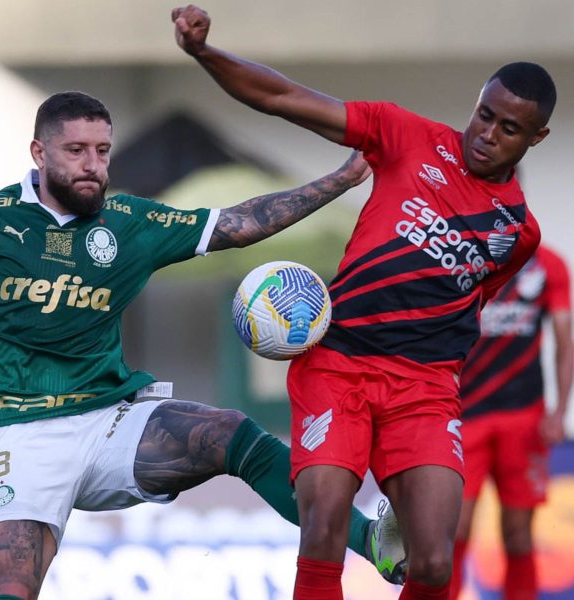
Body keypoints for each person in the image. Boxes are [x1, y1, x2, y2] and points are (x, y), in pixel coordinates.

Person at [172, 5, 557, 599]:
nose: (487, 133)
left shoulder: (519, 233)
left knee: (432, 559)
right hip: (339, 363)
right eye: (485, 115)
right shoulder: (405, 134)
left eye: (509, 129)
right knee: (323, 521)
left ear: (537, 138)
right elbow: (281, 97)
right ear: (477, 104)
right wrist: (204, 53)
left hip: (423, 388)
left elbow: (465, 308)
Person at [0, 91, 404, 600]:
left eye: (103, 151)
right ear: (39, 153)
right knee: (11, 589)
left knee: (230, 434)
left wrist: (341, 180)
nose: (93, 165)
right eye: (76, 151)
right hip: (23, 434)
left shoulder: (129, 222)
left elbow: (236, 225)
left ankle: (373, 540)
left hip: (111, 421)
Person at [450, 244, 573, 600]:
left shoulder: (548, 264)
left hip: (523, 418)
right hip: (463, 417)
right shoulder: (459, 259)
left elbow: (565, 342)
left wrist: (559, 410)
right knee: (453, 531)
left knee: (518, 534)